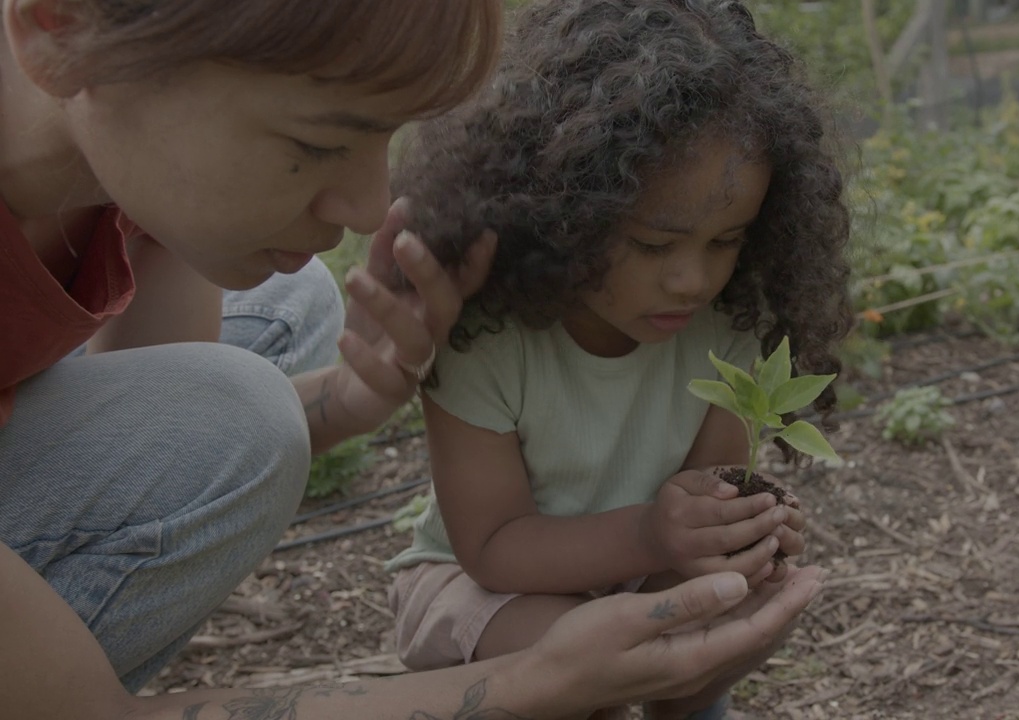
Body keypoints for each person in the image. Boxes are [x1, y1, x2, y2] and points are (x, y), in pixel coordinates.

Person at [0, 1, 827, 718]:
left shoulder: (131, 173)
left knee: (300, 305)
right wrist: (536, 681)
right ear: (62, 32)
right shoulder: (508, 348)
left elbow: (161, 445)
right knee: (240, 401)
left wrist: (353, 398)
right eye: (318, 140)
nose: (370, 203)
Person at [385, 1, 854, 717]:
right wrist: (648, 532)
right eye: (654, 245)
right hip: (488, 590)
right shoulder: (485, 340)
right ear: (563, 214)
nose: (691, 280)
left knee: (716, 627)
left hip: (639, 579)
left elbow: (703, 496)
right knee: (582, 669)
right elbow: (492, 546)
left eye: (726, 241)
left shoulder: (725, 327)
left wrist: (737, 533)